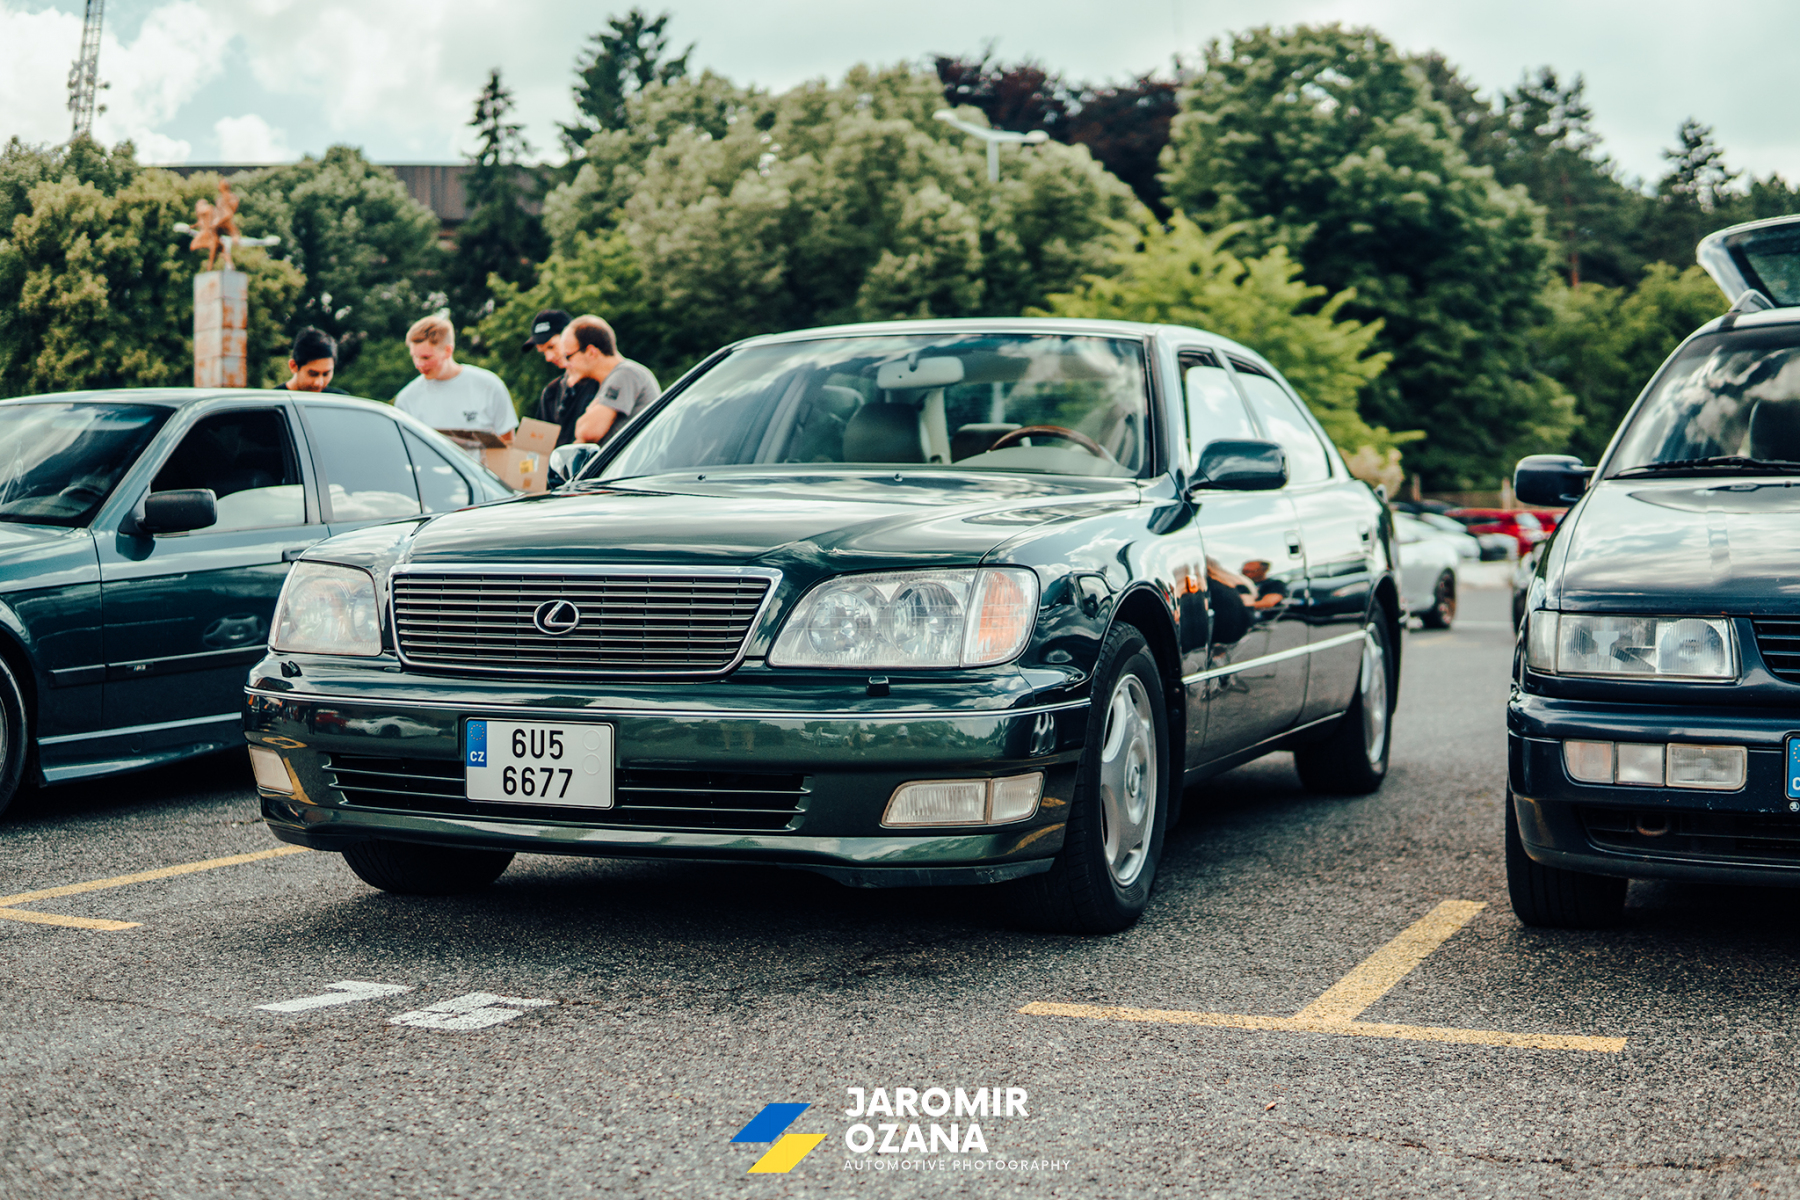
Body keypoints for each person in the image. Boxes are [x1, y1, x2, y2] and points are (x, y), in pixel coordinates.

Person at [394, 314, 516, 444]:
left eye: (426, 357)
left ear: (448, 351)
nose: (419, 365)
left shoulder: (489, 386)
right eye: (414, 356)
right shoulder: (406, 400)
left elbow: (508, 443)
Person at [565, 315, 661, 444]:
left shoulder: (625, 374)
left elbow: (588, 432)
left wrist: (586, 418)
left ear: (591, 352)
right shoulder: (615, 377)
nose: (566, 364)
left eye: (568, 357)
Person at [520, 308, 588, 448]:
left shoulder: (600, 381)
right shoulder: (551, 392)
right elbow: (539, 447)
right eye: (543, 352)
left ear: (570, 336)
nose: (548, 357)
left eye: (551, 347)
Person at [278, 327, 348, 393]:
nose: (319, 383)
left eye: (326, 374)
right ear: (293, 366)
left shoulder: (340, 400)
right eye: (313, 374)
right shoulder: (275, 400)